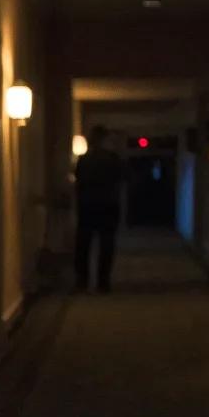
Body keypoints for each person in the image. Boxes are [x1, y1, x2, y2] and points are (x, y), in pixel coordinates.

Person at [74, 125, 123, 292]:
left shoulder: (84, 160)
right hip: (108, 205)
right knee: (106, 245)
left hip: (87, 205)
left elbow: (78, 181)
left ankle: (82, 281)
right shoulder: (113, 158)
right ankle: (103, 282)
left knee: (84, 245)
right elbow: (123, 177)